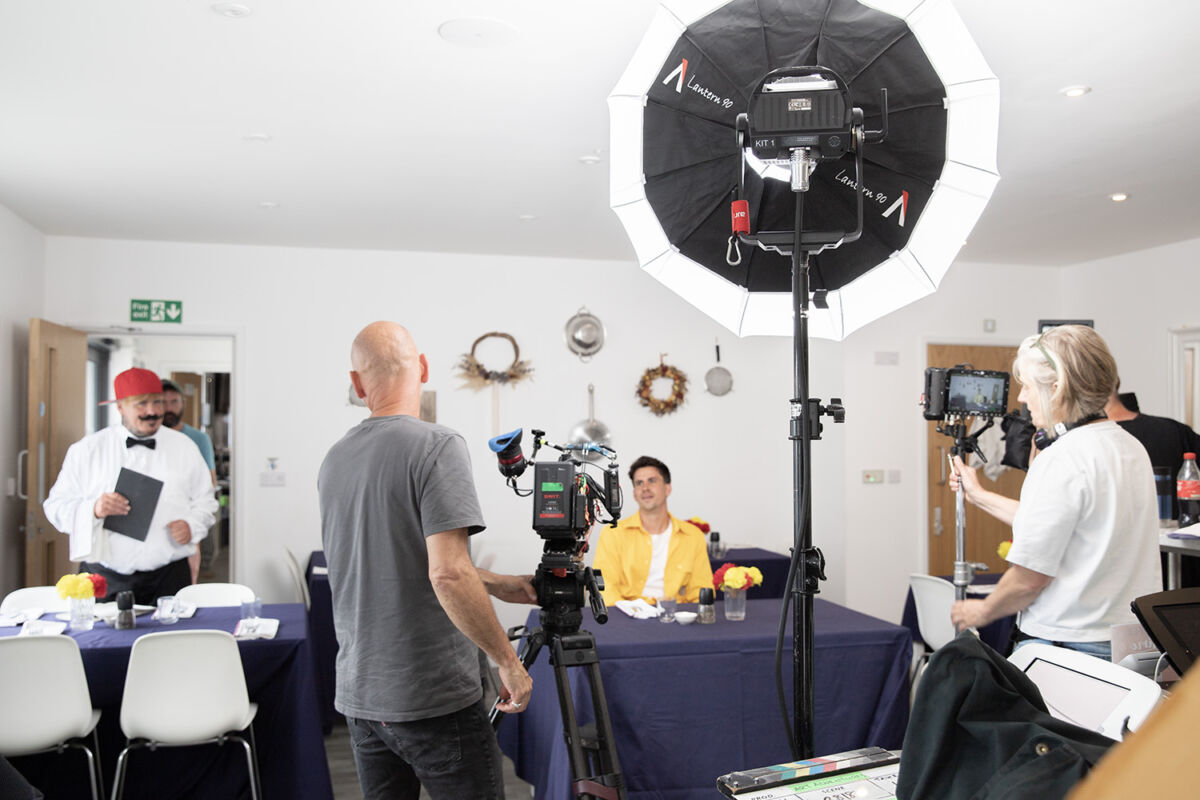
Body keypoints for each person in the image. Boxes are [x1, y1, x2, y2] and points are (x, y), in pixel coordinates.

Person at [317, 321, 534, 800]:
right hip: (432, 699)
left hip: (362, 696)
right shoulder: (438, 446)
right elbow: (448, 572)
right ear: (424, 368)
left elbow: (396, 561)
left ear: (357, 384)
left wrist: (496, 582)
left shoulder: (335, 459)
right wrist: (507, 661)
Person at [949, 326, 1160, 660]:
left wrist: (981, 611)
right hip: (1128, 642)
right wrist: (977, 495)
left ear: (1057, 387)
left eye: (1028, 386)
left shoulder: (1062, 457)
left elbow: (1029, 579)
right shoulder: (1130, 447)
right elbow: (1065, 525)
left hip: (1068, 646)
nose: (1022, 398)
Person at [43, 367, 217, 605]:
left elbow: (206, 501)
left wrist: (191, 525)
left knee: (175, 631)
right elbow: (55, 507)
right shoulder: (87, 450)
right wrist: (94, 509)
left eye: (158, 402)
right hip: (104, 575)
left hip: (169, 575)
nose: (152, 411)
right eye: (141, 404)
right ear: (120, 407)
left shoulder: (185, 447)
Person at [593, 455, 713, 605]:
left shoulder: (693, 536)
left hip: (676, 614)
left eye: (652, 481)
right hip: (627, 614)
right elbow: (605, 589)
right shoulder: (613, 534)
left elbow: (701, 590)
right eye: (639, 483)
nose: (645, 488)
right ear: (634, 493)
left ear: (667, 489)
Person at [161, 378, 217, 583]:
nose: (169, 408)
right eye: (163, 402)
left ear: (183, 404)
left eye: (174, 402)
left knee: (187, 576)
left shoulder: (198, 439)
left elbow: (209, 482)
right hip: (158, 522)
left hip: (187, 516)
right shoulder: (149, 440)